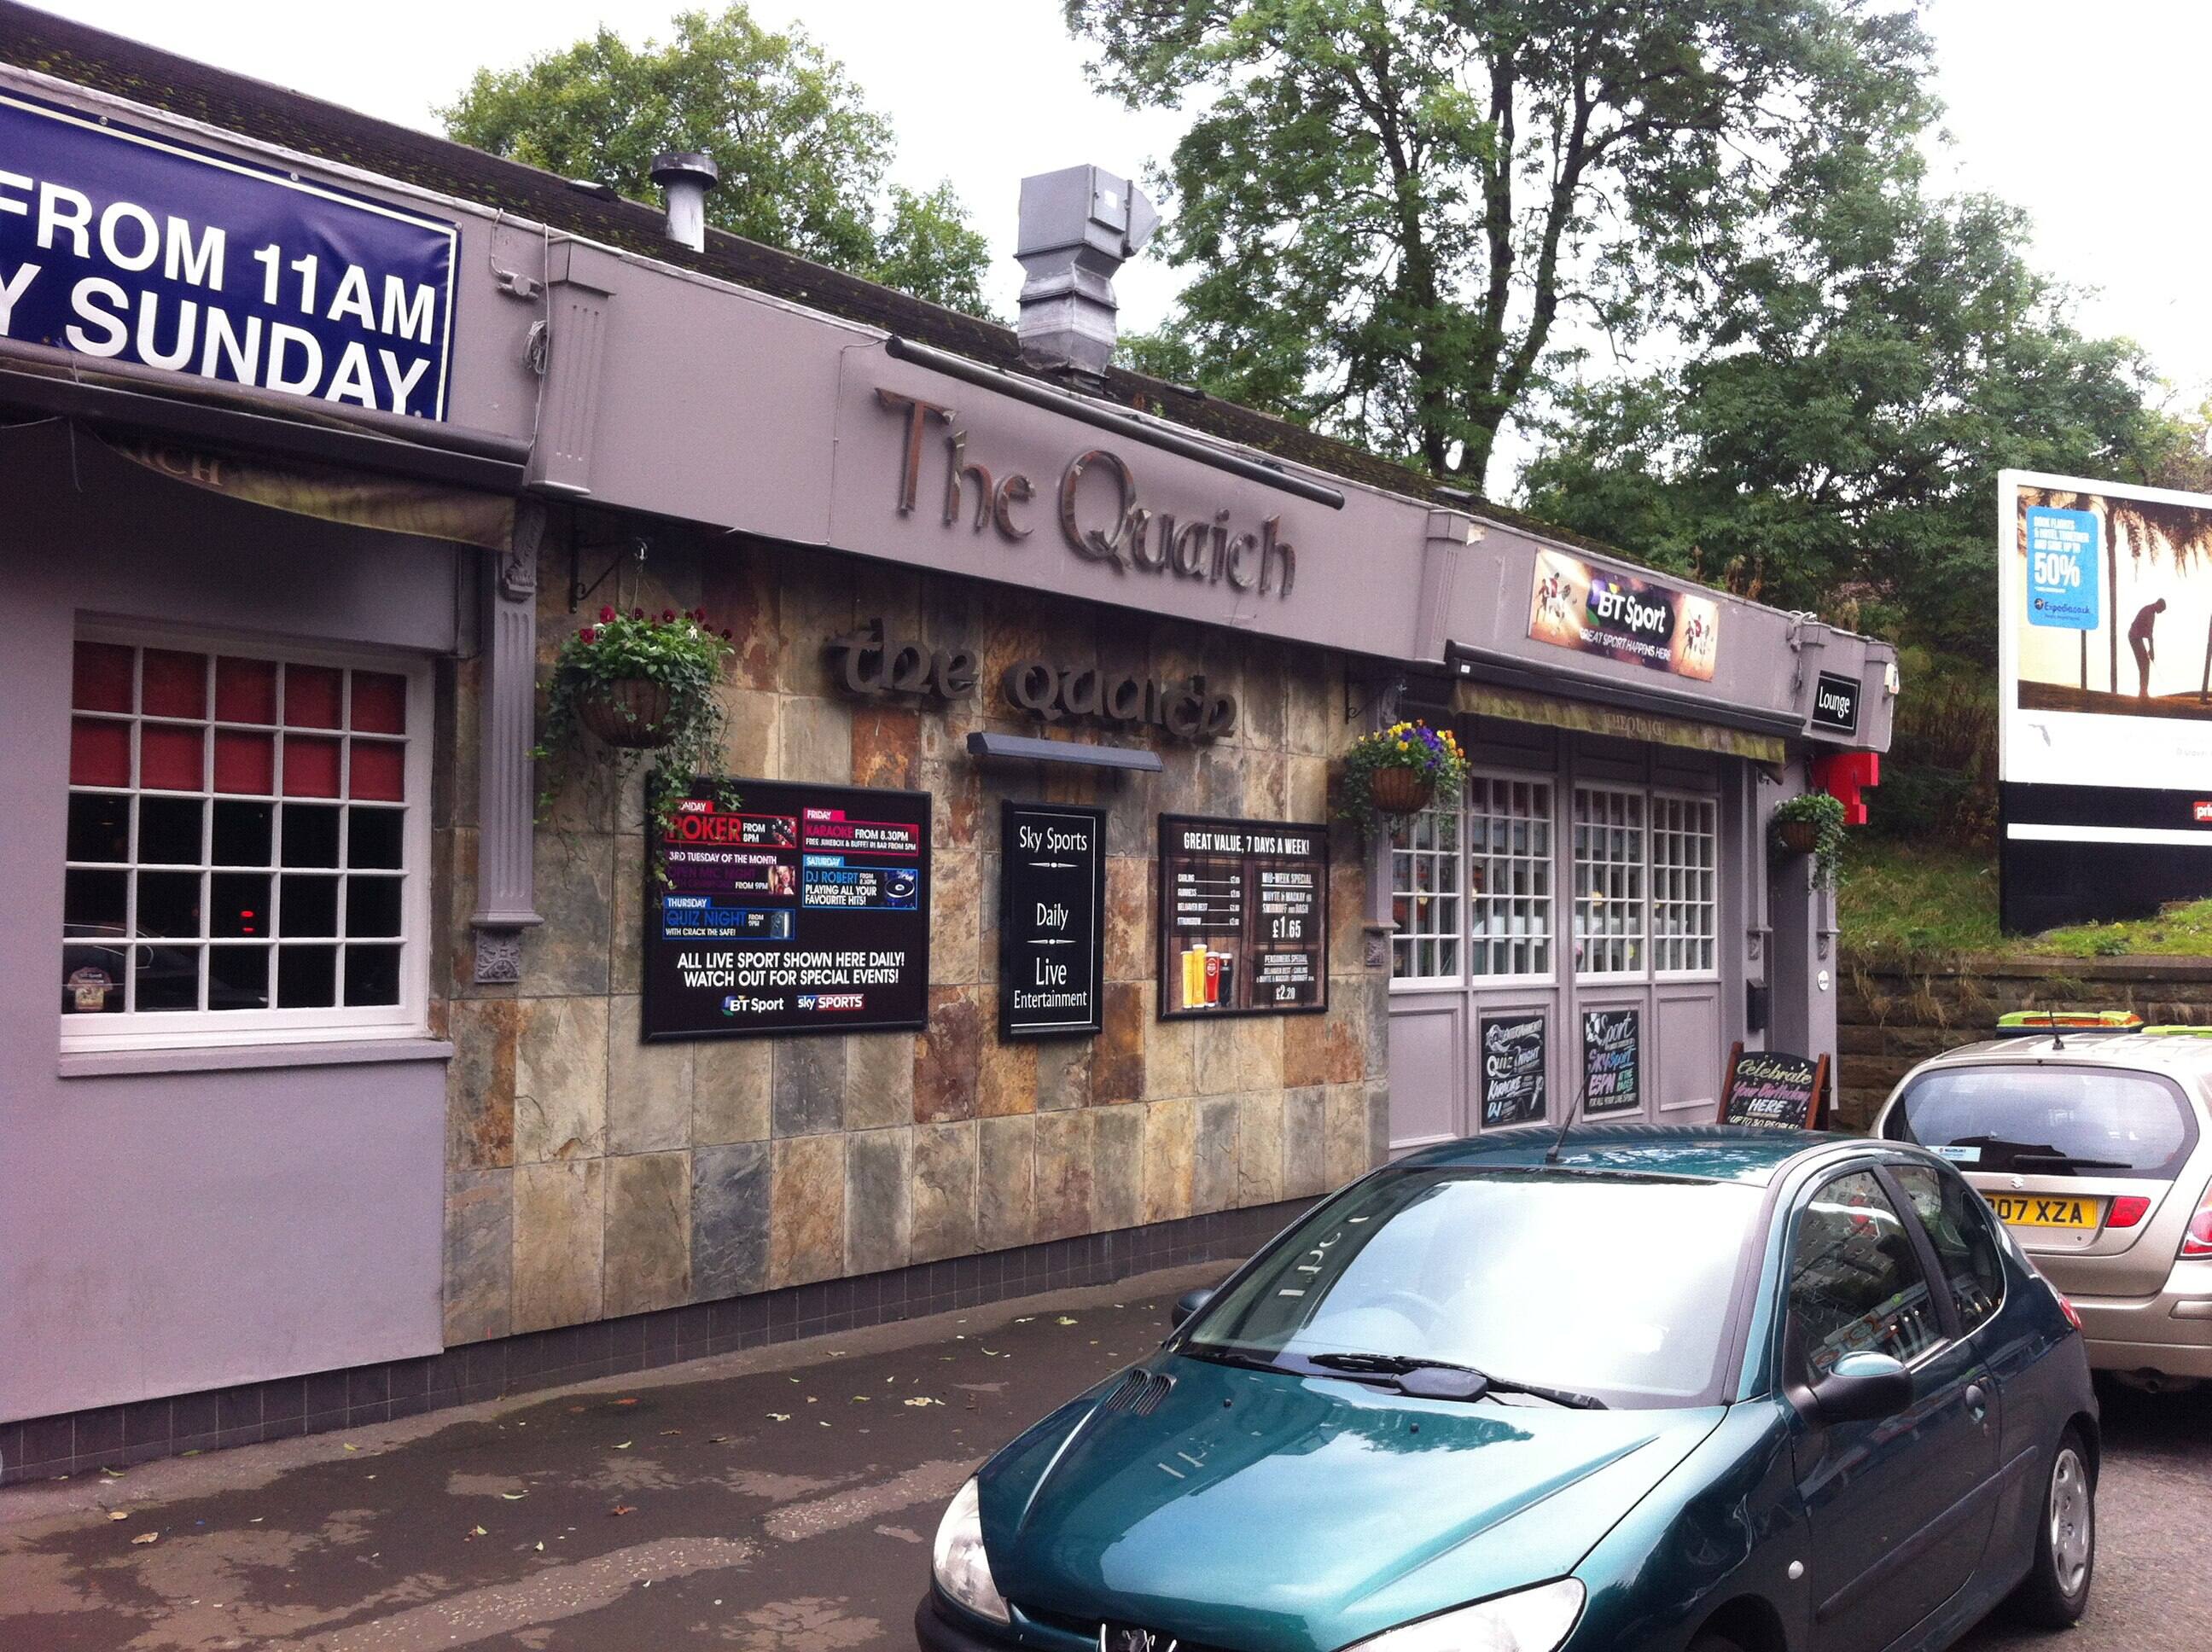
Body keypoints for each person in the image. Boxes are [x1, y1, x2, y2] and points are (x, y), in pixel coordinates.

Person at [2130, 598, 2168, 701]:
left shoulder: (2151, 611)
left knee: (2145, 663)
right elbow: (2150, 635)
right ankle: (2143, 692)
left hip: (2137, 637)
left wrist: (2151, 650)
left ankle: (2143, 691)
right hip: (2134, 637)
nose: (2160, 612)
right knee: (2144, 663)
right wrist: (2151, 650)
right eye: (2161, 610)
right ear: (2158, 605)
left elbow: (2149, 633)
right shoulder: (2149, 612)